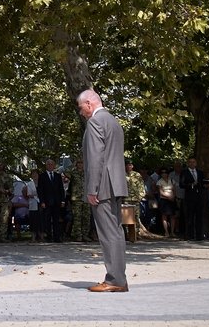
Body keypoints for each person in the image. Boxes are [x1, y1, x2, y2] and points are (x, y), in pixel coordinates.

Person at [78, 89, 128, 293]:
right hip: (115, 183)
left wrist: (92, 189)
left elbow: (95, 158)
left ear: (89, 103)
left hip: (103, 186)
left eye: (81, 108)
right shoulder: (113, 121)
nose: (81, 112)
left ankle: (114, 279)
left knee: (108, 234)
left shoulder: (95, 122)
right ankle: (119, 277)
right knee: (116, 232)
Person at [38, 159, 66, 243]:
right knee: (47, 220)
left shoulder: (57, 176)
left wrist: (62, 201)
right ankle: (48, 237)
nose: (50, 166)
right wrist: (42, 201)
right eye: (48, 164)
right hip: (47, 202)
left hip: (56, 202)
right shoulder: (42, 176)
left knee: (56, 220)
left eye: (51, 164)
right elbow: (40, 190)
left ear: (54, 166)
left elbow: (61, 189)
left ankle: (57, 237)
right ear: (46, 166)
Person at [180, 156, 205, 241]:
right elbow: (181, 184)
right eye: (190, 162)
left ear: (196, 163)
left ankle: (199, 235)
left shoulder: (200, 172)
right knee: (189, 217)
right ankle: (189, 235)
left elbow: (202, 183)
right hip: (189, 197)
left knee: (199, 216)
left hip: (199, 197)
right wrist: (191, 184)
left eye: (193, 162)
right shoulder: (184, 172)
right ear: (188, 163)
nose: (192, 163)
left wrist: (206, 184)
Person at [155, 168, 177, 237]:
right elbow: (160, 192)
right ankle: (166, 232)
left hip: (172, 200)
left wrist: (173, 197)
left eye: (165, 173)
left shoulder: (172, 180)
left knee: (172, 216)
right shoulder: (159, 182)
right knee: (164, 216)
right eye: (162, 173)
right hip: (164, 200)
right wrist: (169, 197)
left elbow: (174, 190)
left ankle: (172, 232)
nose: (164, 174)